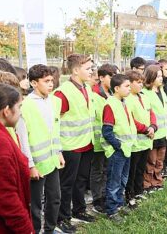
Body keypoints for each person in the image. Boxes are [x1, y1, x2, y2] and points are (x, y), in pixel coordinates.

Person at [19, 64, 65, 234]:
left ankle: (50, 230)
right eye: (46, 81)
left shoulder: (54, 101)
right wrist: (31, 165)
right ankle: (35, 230)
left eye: (51, 80)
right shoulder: (26, 106)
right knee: (35, 204)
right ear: (33, 83)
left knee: (55, 198)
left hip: (52, 160)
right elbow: (23, 139)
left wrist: (59, 151)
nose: (50, 84)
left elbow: (55, 129)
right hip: (36, 165)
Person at [0, 83, 34, 233]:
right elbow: (5, 198)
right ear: (6, 110)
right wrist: (26, 229)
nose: (20, 113)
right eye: (19, 107)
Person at [54, 54, 96, 232]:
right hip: (70, 145)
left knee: (81, 180)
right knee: (66, 184)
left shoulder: (86, 87)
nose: (91, 71)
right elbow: (54, 122)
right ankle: (62, 218)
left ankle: (79, 210)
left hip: (86, 143)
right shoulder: (62, 93)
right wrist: (57, 149)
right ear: (76, 70)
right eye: (88, 68)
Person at [101, 74, 136, 221]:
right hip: (118, 151)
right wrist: (118, 146)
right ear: (116, 88)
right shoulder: (111, 104)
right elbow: (107, 131)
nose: (129, 89)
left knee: (123, 180)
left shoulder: (123, 102)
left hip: (126, 149)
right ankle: (111, 210)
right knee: (114, 182)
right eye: (126, 86)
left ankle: (119, 205)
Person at [125, 70, 157, 208]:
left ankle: (138, 191)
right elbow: (131, 120)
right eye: (138, 83)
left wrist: (153, 126)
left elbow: (151, 113)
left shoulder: (143, 96)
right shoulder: (127, 99)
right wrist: (145, 129)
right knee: (131, 171)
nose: (141, 85)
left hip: (146, 141)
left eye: (142, 82)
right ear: (129, 84)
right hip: (135, 143)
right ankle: (129, 195)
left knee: (140, 169)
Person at [90, 63, 117, 214]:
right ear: (101, 78)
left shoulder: (114, 94)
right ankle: (97, 199)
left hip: (110, 141)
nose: (114, 79)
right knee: (97, 170)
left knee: (107, 170)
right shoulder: (93, 94)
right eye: (111, 76)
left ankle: (107, 196)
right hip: (98, 141)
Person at [142, 65, 167, 191]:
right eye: (158, 76)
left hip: (163, 133)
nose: (161, 78)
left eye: (161, 75)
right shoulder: (145, 93)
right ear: (151, 77)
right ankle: (147, 183)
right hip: (152, 134)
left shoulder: (162, 91)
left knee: (159, 161)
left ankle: (157, 181)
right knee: (150, 161)